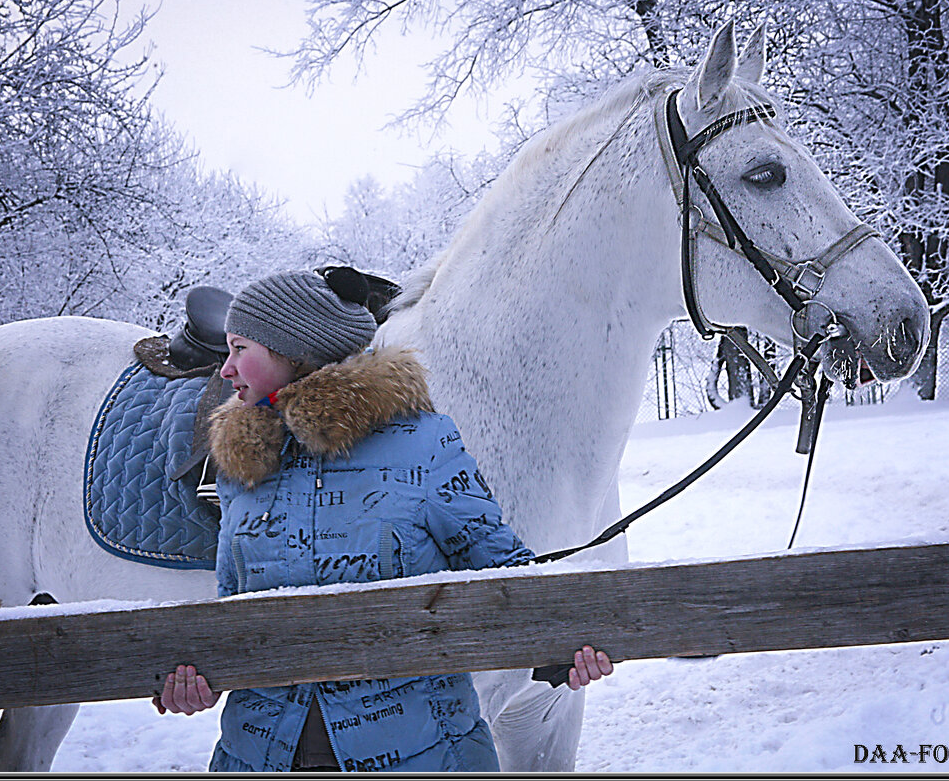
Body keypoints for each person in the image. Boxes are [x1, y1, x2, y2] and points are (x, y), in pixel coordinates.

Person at [153, 268, 613, 772]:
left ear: (294, 350)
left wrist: (560, 647)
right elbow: (232, 612)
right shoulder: (241, 465)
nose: (226, 368)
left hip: (422, 756)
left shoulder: (423, 443)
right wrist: (198, 678)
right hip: (259, 756)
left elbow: (502, 571)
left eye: (241, 348)